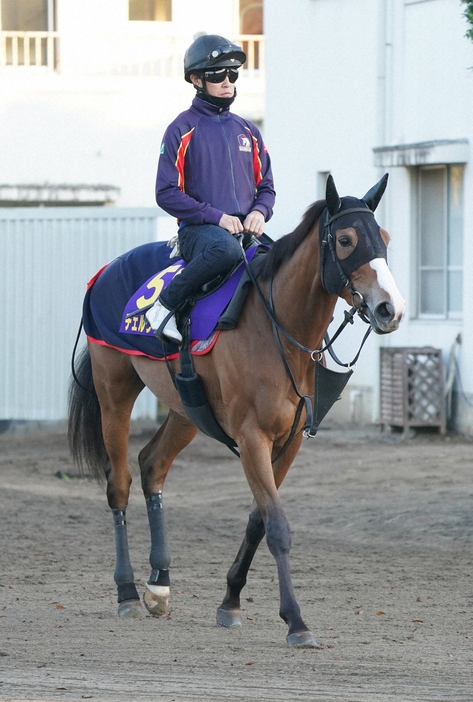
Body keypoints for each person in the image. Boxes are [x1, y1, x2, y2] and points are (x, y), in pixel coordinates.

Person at [145, 33, 276, 343]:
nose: (227, 81)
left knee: (285, 262)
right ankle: (163, 307)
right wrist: (216, 217)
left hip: (245, 230)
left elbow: (267, 187)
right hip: (199, 232)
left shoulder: (248, 130)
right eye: (218, 74)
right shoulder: (181, 128)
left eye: (233, 73)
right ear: (196, 79)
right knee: (224, 249)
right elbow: (165, 192)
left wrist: (260, 211)